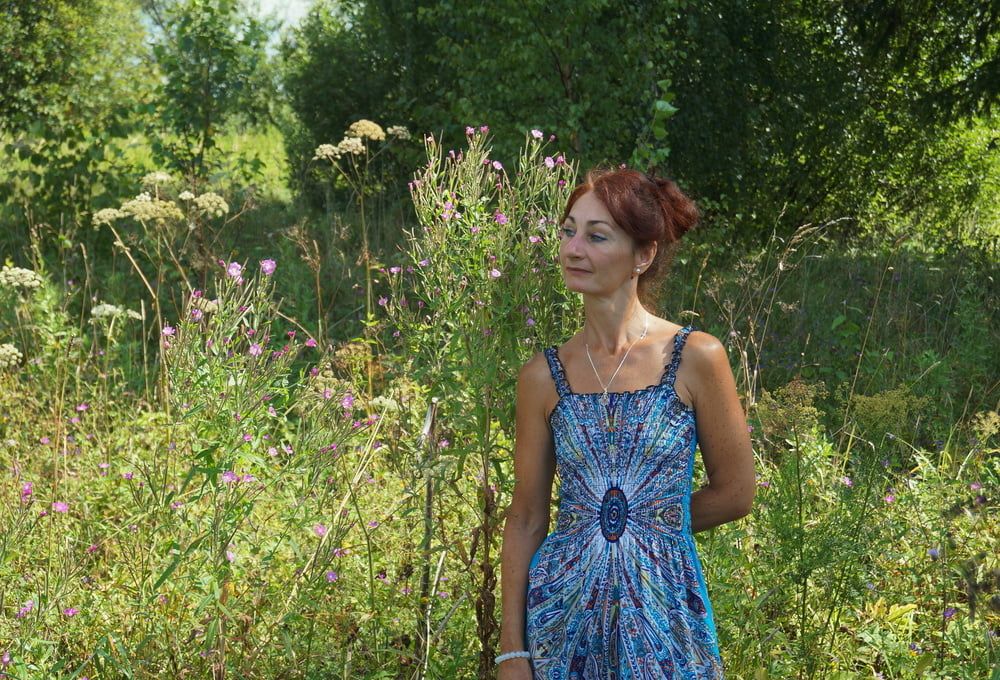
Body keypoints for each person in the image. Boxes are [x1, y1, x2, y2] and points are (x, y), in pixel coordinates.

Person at [496, 168, 756, 679]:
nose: (574, 248)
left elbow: (736, 492)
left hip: (664, 618)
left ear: (643, 254)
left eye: (596, 236)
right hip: (561, 617)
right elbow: (526, 518)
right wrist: (512, 651)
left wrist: (640, 526)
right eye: (569, 230)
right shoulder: (542, 376)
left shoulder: (696, 358)